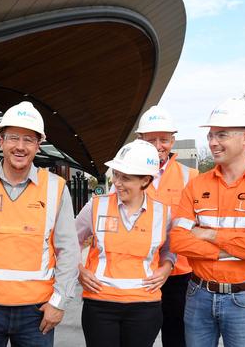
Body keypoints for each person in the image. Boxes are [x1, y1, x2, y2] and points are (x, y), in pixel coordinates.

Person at [0, 101, 80, 346]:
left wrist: (58, 302)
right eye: (13, 138)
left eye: (29, 140)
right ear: (1, 140)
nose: (20, 147)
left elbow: (69, 251)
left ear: (39, 145)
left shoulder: (55, 188)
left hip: (37, 313)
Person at [170, 98, 245, 347]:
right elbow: (178, 241)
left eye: (221, 135)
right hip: (198, 295)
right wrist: (238, 248)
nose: (212, 142)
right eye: (210, 135)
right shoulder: (196, 184)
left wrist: (209, 235)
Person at [76, 139, 176, 347]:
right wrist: (79, 270)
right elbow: (68, 244)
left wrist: (167, 267)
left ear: (146, 180)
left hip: (144, 306)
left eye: (126, 178)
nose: (117, 183)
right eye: (116, 175)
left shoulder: (163, 213)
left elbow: (170, 248)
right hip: (100, 304)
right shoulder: (95, 207)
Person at [135, 105, 198, 347]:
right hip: (140, 272)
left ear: (173, 140)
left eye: (164, 139)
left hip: (179, 274)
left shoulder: (189, 176)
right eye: (152, 140)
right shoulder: (125, 174)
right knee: (139, 338)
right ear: (140, 140)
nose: (159, 145)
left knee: (177, 337)